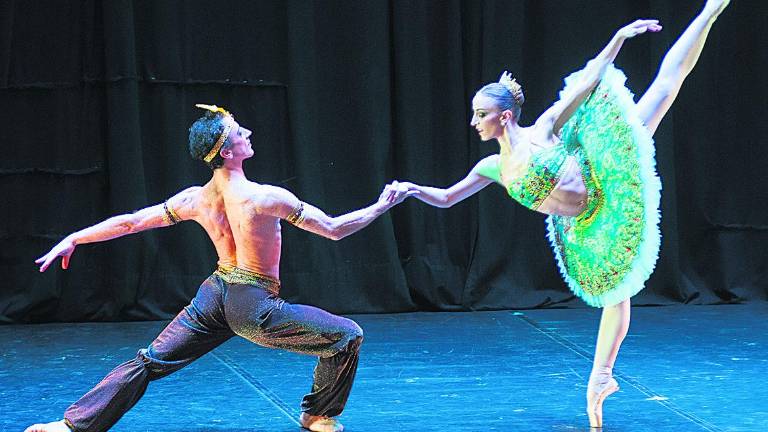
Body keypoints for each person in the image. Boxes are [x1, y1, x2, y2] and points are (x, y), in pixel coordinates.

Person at [397, 0, 729, 428]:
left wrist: (619, 38)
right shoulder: (491, 167)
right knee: (615, 289)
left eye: (481, 114)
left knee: (664, 89)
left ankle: (710, 9)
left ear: (504, 116)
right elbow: (446, 198)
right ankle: (600, 378)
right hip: (586, 226)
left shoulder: (543, 131)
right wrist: (412, 190)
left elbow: (588, 79)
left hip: (605, 175)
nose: (474, 122)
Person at [25, 104, 412, 432]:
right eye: (239, 131)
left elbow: (132, 221)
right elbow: (334, 229)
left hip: (214, 295)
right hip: (252, 304)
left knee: (149, 362)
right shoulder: (264, 197)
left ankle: (71, 426)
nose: (248, 131)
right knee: (347, 336)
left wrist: (75, 236)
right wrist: (382, 206)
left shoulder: (195, 198)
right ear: (227, 152)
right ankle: (316, 415)